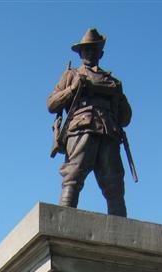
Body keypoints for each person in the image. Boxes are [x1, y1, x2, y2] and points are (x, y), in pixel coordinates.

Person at [47, 28, 132, 216]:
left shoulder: (113, 82)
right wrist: (72, 90)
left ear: (100, 53)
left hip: (108, 134)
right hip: (80, 131)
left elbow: (125, 118)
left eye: (93, 49)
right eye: (86, 49)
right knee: (73, 176)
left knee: (114, 184)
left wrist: (118, 97)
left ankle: (121, 234)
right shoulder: (71, 75)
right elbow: (51, 104)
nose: (89, 53)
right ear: (80, 53)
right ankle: (64, 221)